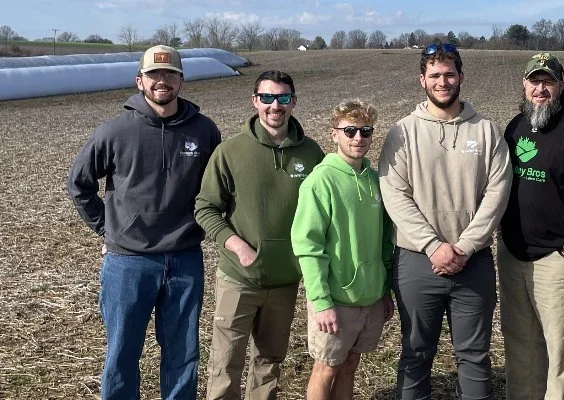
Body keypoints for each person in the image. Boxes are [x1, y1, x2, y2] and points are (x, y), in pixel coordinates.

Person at [66, 45, 221, 399]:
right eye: (154, 75)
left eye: (170, 75)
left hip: (184, 258)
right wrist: (107, 228)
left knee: (183, 354)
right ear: (140, 81)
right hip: (127, 262)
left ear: (181, 80)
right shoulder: (115, 131)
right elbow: (80, 184)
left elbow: (217, 189)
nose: (161, 81)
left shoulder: (204, 131)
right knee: (122, 352)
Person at [378, 42, 512, 400]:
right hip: (417, 262)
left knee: (474, 357)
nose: (442, 81)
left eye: (449, 73)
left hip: (474, 264)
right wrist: (434, 246)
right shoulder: (402, 132)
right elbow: (395, 195)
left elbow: (497, 194)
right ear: (422, 80)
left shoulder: (486, 130)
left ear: (461, 77)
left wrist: (465, 247)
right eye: (434, 75)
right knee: (417, 353)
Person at [194, 70, 324, 399]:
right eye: (267, 97)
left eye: (282, 98)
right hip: (239, 277)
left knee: (269, 361)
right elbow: (205, 208)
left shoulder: (312, 154)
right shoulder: (230, 151)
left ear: (293, 101)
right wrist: (237, 246)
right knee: (226, 362)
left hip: (284, 280)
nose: (274, 105)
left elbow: (325, 212)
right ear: (255, 101)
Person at [498, 52, 564, 399]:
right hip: (514, 253)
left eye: (548, 81)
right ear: (524, 85)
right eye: (534, 81)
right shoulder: (514, 127)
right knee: (520, 343)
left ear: (561, 86)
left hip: (558, 257)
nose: (540, 88)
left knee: (561, 348)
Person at [290, 99, 394, 400]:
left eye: (365, 131)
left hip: (370, 297)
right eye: (350, 131)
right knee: (326, 369)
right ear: (333, 134)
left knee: (350, 364)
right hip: (335, 300)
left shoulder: (376, 181)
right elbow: (308, 246)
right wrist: (320, 301)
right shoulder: (320, 181)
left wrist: (384, 290)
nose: (358, 138)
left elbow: (384, 241)